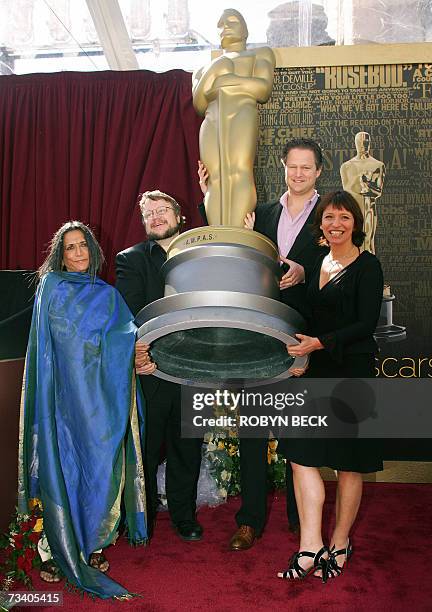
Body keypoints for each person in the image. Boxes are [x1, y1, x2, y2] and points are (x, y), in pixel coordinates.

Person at [197, 137, 328, 550]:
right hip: (257, 338)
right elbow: (232, 244)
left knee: (297, 433)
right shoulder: (264, 213)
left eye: (307, 167)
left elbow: (346, 264)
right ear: (284, 167)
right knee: (252, 432)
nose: (299, 173)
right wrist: (208, 201)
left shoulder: (332, 214)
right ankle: (250, 519)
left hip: (303, 339)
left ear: (319, 171)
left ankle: (298, 518)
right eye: (293, 166)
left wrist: (306, 273)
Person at [18, 221, 147, 599]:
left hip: (99, 401)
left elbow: (125, 336)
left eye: (82, 246)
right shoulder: (51, 288)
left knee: (99, 468)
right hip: (60, 401)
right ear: (60, 254)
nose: (77, 253)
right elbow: (48, 346)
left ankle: (90, 544)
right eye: (69, 247)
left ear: (93, 251)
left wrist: (136, 346)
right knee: (63, 469)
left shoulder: (107, 296)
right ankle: (51, 549)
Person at [279, 190, 384, 581]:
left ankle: (340, 542)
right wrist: (299, 353)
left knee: (348, 463)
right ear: (319, 224)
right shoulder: (314, 260)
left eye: (343, 217)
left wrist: (319, 344)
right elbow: (305, 314)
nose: (335, 224)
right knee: (300, 454)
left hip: (351, 373)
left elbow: (365, 323)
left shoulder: (368, 266)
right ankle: (310, 545)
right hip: (313, 370)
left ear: (355, 223)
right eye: (328, 218)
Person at [115, 190, 203, 543]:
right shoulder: (130, 259)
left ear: (179, 216)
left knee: (187, 448)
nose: (155, 216)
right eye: (148, 212)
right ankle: (142, 517)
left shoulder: (200, 256)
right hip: (151, 368)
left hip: (194, 369)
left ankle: (185, 517)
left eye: (162, 209)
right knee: (147, 451)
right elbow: (131, 313)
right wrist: (138, 355)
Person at [192, 9, 275, 227]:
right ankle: (218, 232)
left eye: (231, 21)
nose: (224, 27)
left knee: (240, 170)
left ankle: (238, 232)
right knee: (215, 179)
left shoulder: (260, 55)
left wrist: (224, 80)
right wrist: (217, 71)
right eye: (220, 24)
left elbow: (262, 89)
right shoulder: (203, 69)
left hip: (242, 113)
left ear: (245, 29)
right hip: (212, 120)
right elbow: (199, 103)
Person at [340, 131, 386, 254]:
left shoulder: (377, 165)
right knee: (351, 243)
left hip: (368, 209)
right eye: (360, 142)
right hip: (351, 211)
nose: (363, 145)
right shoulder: (346, 167)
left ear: (369, 143)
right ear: (355, 143)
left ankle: (370, 271)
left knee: (367, 243)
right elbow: (346, 193)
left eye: (366, 142)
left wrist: (367, 184)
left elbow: (378, 191)